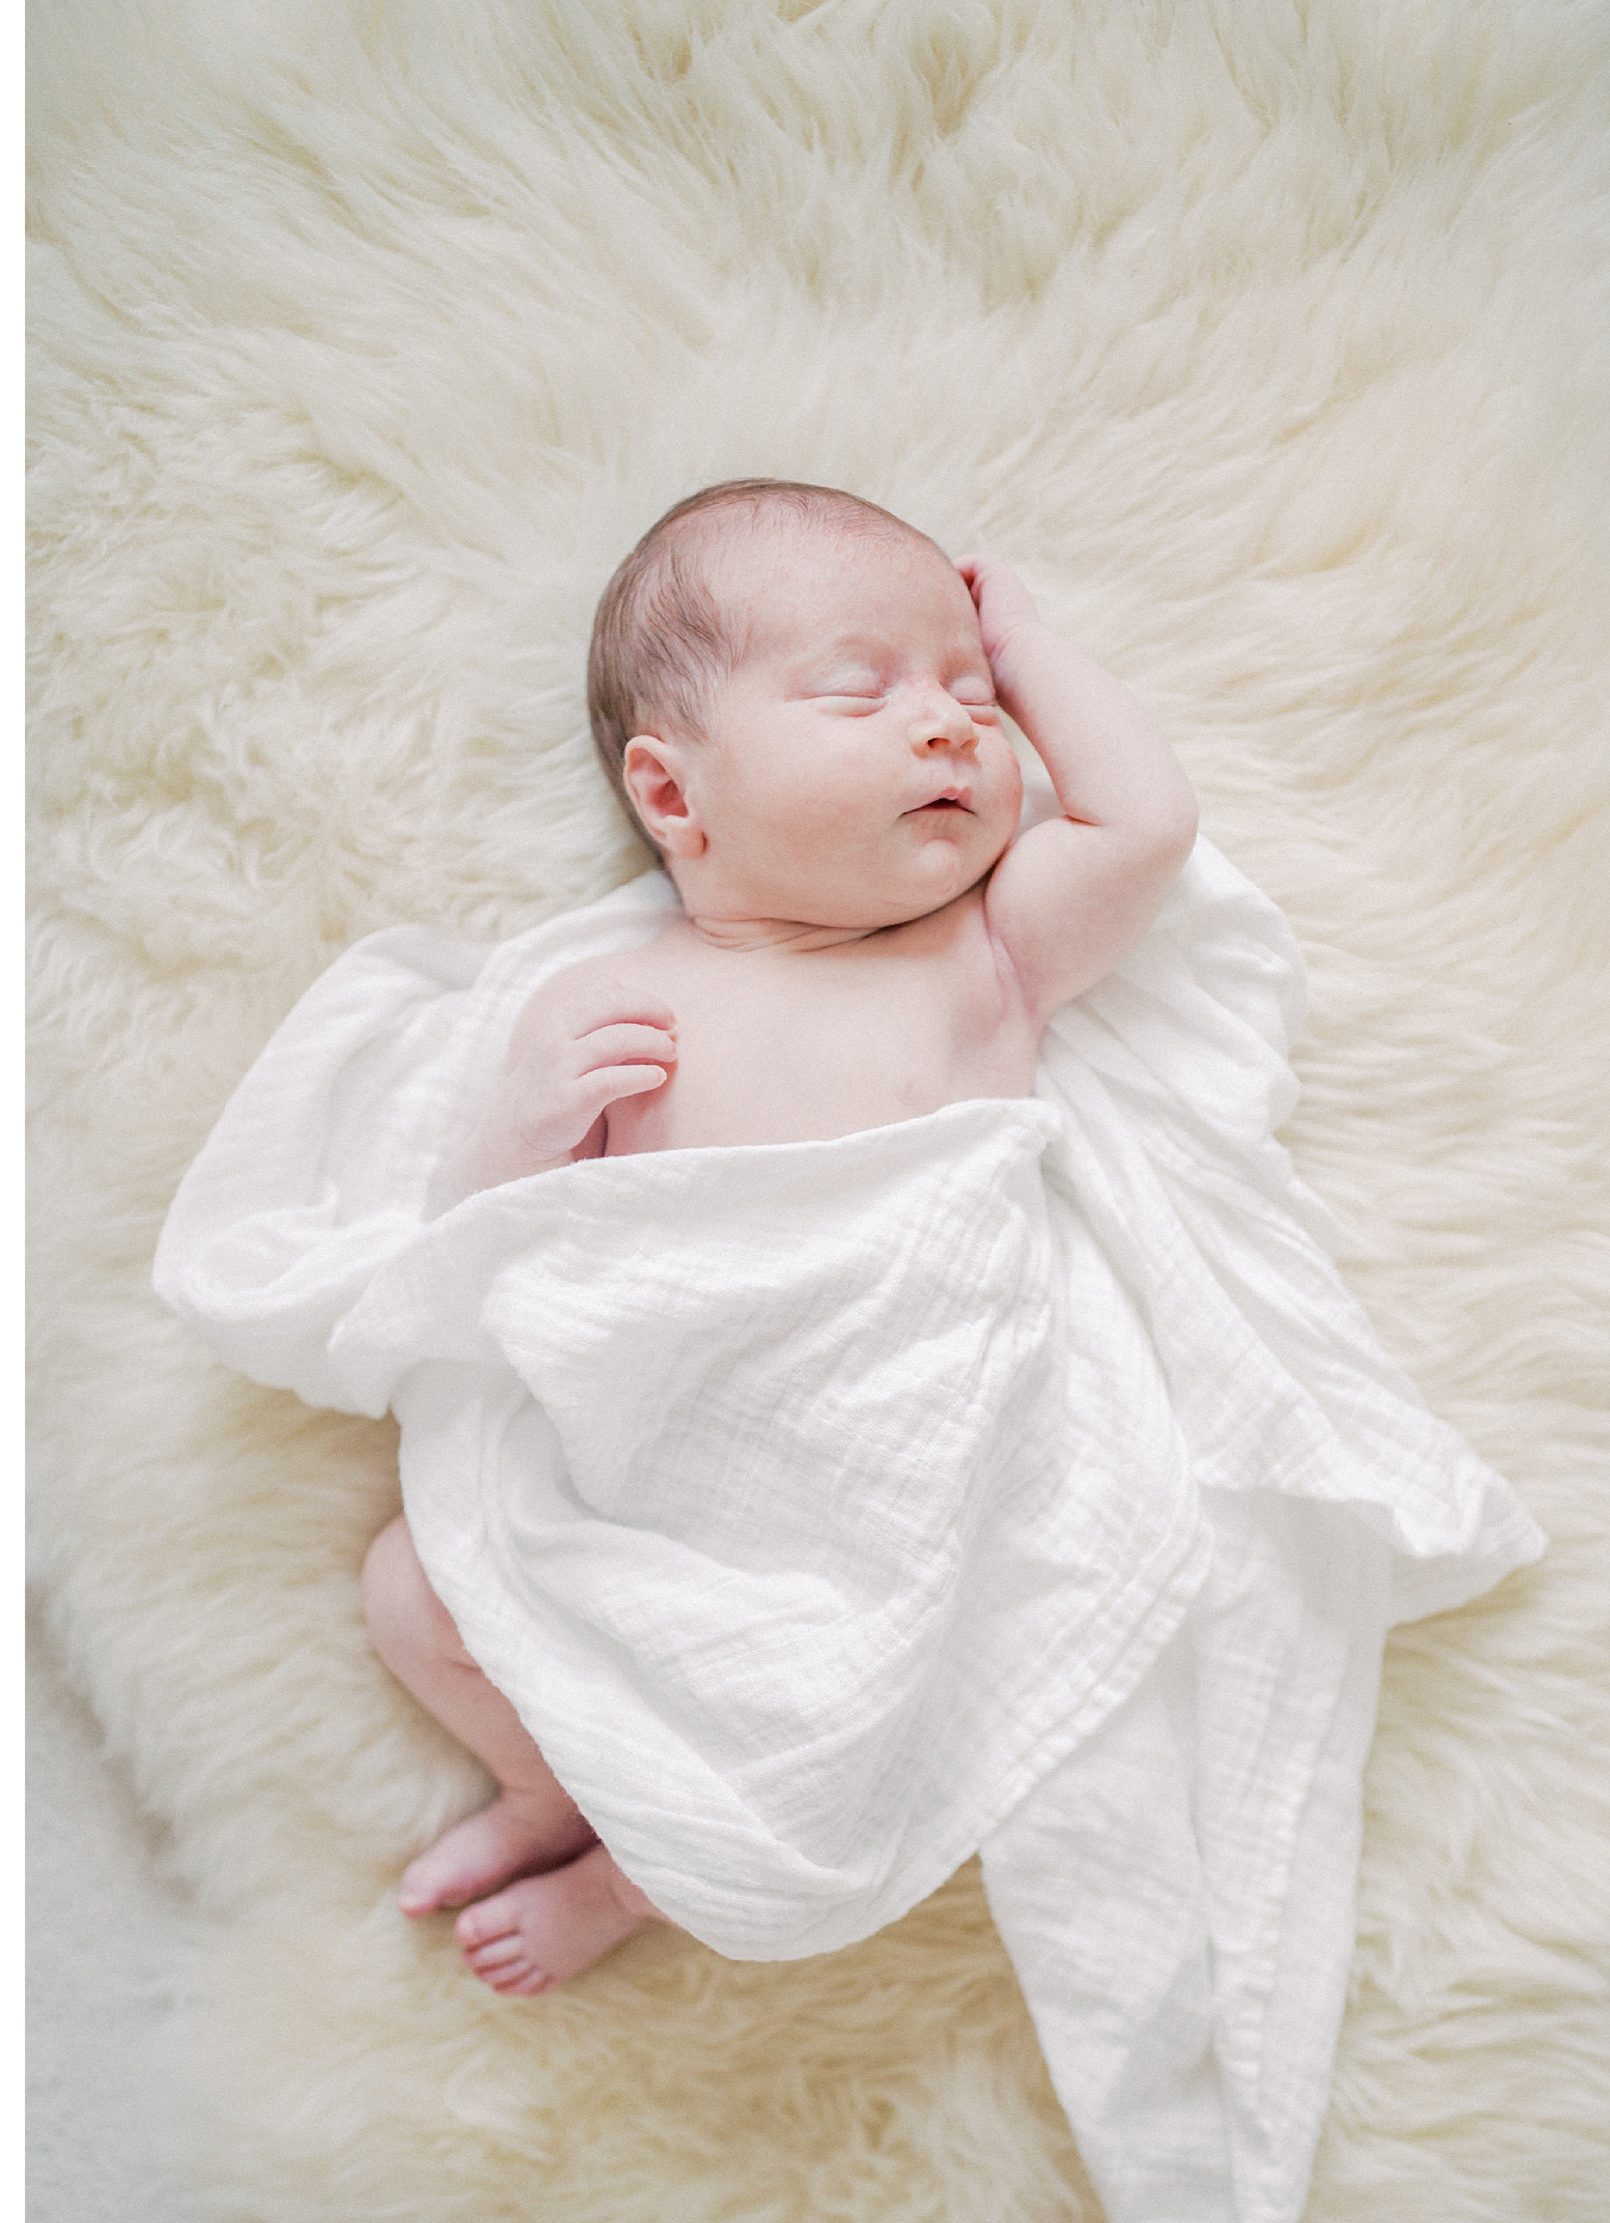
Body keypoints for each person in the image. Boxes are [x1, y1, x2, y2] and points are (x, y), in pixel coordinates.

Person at [359, 477, 1199, 1998]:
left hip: (878, 1489)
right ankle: (550, 1790)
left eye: (967, 697)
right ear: (675, 798)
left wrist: (1031, 648)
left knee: (836, 1721)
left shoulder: (984, 957)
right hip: (651, 1483)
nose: (950, 726)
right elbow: (477, 1257)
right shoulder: (608, 1006)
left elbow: (1148, 826)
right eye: (859, 690)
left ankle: (631, 1878)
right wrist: (523, 1124)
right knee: (414, 1593)